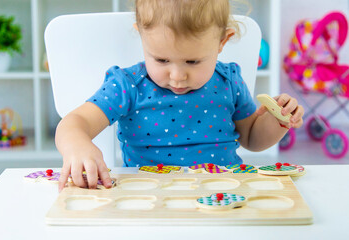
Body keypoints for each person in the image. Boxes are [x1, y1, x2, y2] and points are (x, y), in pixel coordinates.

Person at [55, 0, 304, 191]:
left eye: (192, 61)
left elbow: (252, 137)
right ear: (142, 36)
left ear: (222, 41)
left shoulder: (229, 81)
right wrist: (77, 144)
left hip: (224, 193)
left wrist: (277, 120)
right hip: (150, 197)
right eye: (161, 59)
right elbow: (75, 123)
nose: (176, 76)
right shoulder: (128, 86)